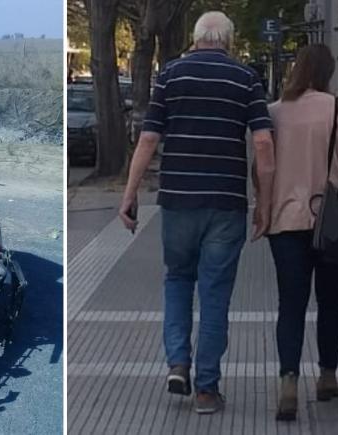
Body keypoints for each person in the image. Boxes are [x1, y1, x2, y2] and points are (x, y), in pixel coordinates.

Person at [119, 11, 276, 414]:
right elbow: (262, 144)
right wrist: (265, 202)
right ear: (229, 38)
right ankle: (207, 389)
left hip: (178, 201)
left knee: (177, 280)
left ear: (195, 37)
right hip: (226, 204)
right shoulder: (246, 79)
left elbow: (149, 137)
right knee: (215, 295)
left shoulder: (170, 75)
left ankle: (177, 363)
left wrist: (130, 193)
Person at [262, 44, 338, 421]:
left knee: (290, 305)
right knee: (330, 302)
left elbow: (262, 169)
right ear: (326, 72)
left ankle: (288, 382)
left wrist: (263, 212)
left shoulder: (273, 113)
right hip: (332, 224)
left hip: (284, 223)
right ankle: (327, 376)